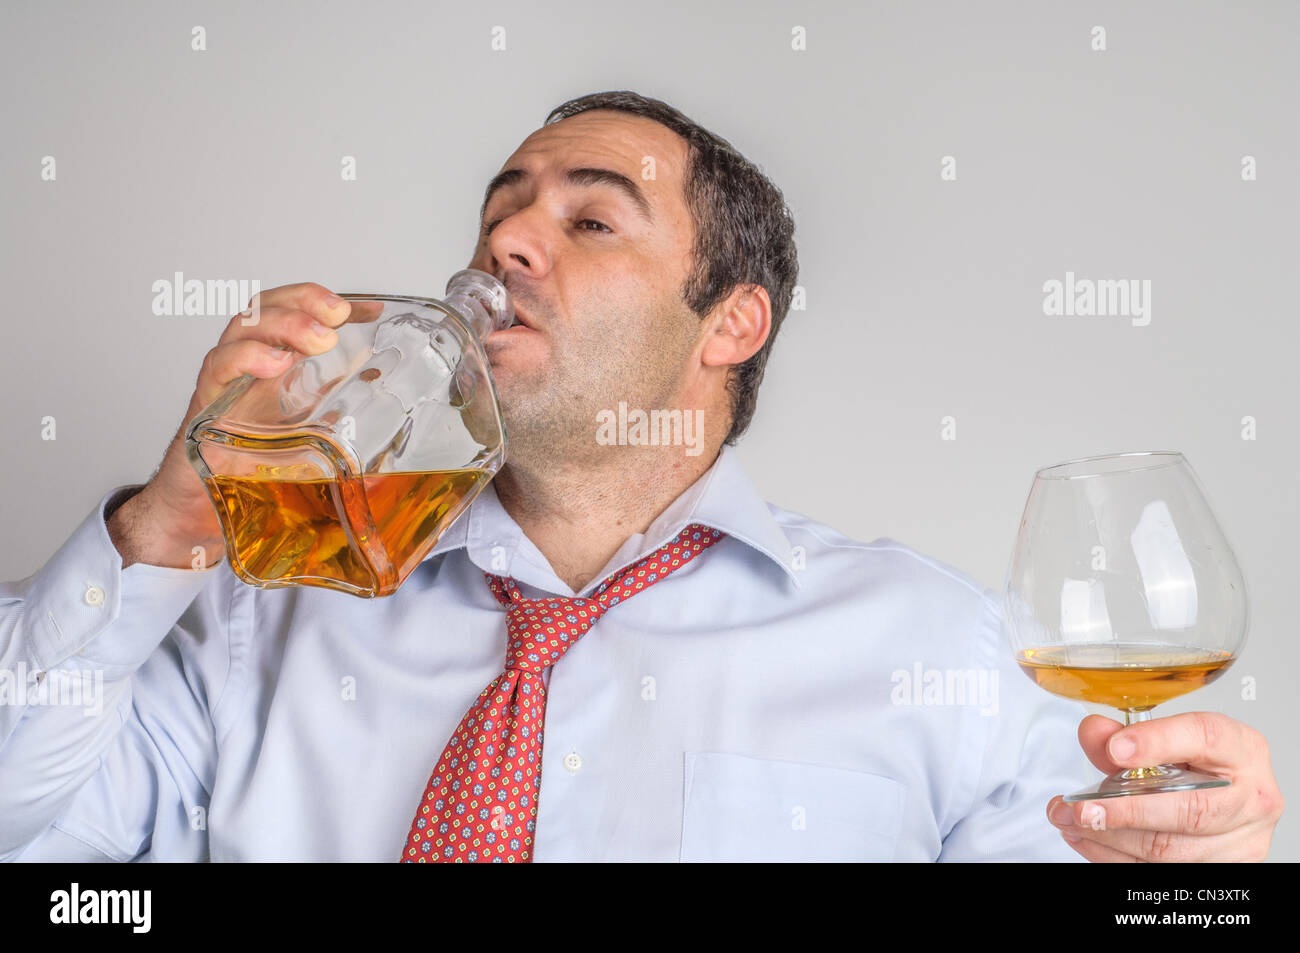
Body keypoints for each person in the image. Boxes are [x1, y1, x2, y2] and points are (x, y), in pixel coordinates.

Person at [0, 91, 1282, 862]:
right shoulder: (251, 613)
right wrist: (162, 526)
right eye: (504, 208)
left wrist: (1198, 880)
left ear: (729, 321)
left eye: (589, 215)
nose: (506, 238)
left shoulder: (939, 650)